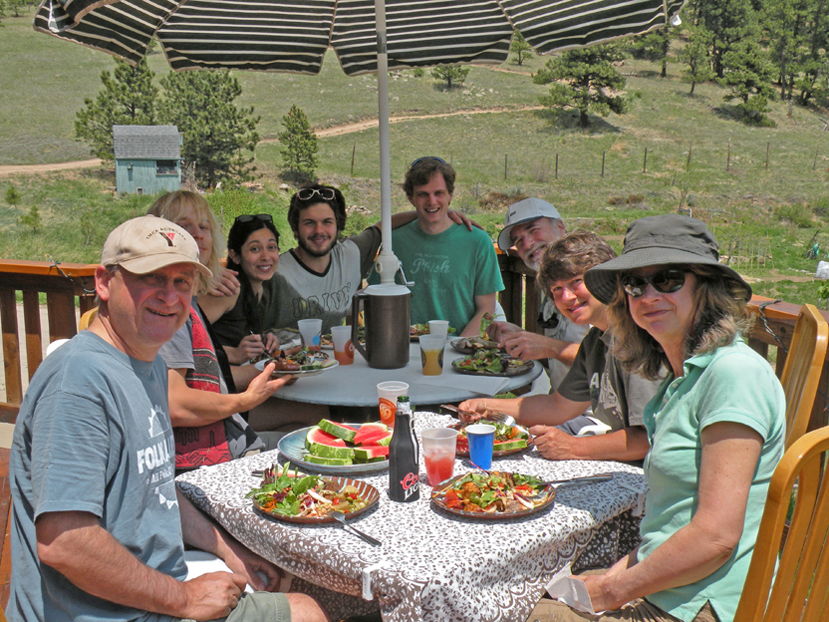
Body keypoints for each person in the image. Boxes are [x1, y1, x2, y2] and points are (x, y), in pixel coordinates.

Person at [7, 215, 328, 622]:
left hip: (148, 592)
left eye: (182, 282)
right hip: (106, 612)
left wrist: (232, 551)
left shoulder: (149, 365)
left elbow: (154, 487)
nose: (170, 297)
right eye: (153, 278)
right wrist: (183, 599)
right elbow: (65, 542)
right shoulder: (80, 380)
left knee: (295, 583)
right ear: (104, 282)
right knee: (305, 613)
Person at [530, 214, 786, 622]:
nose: (647, 295)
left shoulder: (733, 375)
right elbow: (673, 518)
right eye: (634, 284)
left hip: (705, 603)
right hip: (668, 584)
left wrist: (610, 590)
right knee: (519, 595)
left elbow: (716, 538)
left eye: (667, 279)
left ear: (706, 287)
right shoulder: (682, 380)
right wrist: (615, 576)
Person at [459, 232, 659, 462]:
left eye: (576, 282)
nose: (566, 297)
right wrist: (486, 406)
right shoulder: (596, 340)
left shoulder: (639, 337)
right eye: (556, 289)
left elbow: (649, 439)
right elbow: (557, 406)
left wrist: (573, 447)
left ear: (605, 278)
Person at [147, 191, 296, 465]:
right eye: (184, 226)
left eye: (204, 227)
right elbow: (176, 403)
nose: (198, 235)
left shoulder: (190, 302)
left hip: (231, 432)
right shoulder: (170, 307)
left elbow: (202, 359)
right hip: (215, 453)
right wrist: (248, 398)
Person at [264, 183, 476, 338]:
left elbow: (385, 224)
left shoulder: (350, 253)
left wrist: (438, 213)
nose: (319, 231)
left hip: (331, 366)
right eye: (309, 223)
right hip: (285, 370)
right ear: (295, 228)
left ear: (338, 226)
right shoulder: (276, 273)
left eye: (327, 222)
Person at [372, 157, 503, 336]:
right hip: (403, 349)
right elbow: (376, 298)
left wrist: (456, 349)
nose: (432, 201)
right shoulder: (393, 242)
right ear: (411, 198)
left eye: (438, 193)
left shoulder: (478, 242)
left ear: (451, 194)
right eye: (423, 194)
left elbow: (486, 310)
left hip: (458, 353)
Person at [490, 197, 587, 391]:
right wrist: (521, 337)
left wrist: (548, 346)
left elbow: (612, 359)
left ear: (560, 227)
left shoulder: (590, 279)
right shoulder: (550, 286)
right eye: (518, 240)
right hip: (560, 404)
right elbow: (563, 348)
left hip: (595, 413)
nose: (526, 243)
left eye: (533, 230)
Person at [201, 213, 281, 364]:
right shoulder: (229, 290)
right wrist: (231, 354)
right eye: (255, 249)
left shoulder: (261, 290)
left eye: (271, 247)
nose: (266, 256)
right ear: (235, 256)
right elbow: (181, 337)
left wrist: (264, 340)